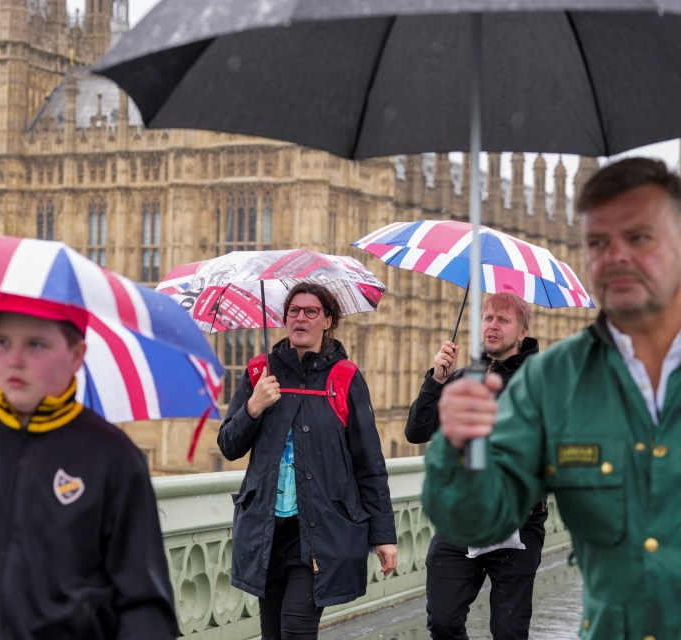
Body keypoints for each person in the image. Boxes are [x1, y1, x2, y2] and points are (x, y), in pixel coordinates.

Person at [422, 157, 681, 639]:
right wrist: (451, 448)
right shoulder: (554, 378)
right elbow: (480, 518)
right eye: (599, 242)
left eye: (639, 237)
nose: (617, 256)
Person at [0, 293, 178, 640]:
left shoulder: (113, 457)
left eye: (35, 345)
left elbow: (145, 602)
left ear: (76, 355)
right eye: (2, 342)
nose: (14, 360)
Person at [217, 282, 398, 640]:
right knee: (272, 633)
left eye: (311, 311)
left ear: (328, 320)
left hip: (319, 530)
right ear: (284, 319)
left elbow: (369, 463)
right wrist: (253, 408)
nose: (300, 318)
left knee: (296, 628)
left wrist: (384, 536)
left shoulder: (344, 377)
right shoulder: (259, 372)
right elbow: (228, 446)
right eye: (293, 311)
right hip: (266, 531)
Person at [406, 292, 546, 639]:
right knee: (443, 621)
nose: (492, 325)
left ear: (522, 331)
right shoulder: (461, 376)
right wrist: (436, 380)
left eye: (503, 319)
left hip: (518, 523)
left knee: (509, 631)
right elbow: (417, 432)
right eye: (487, 318)